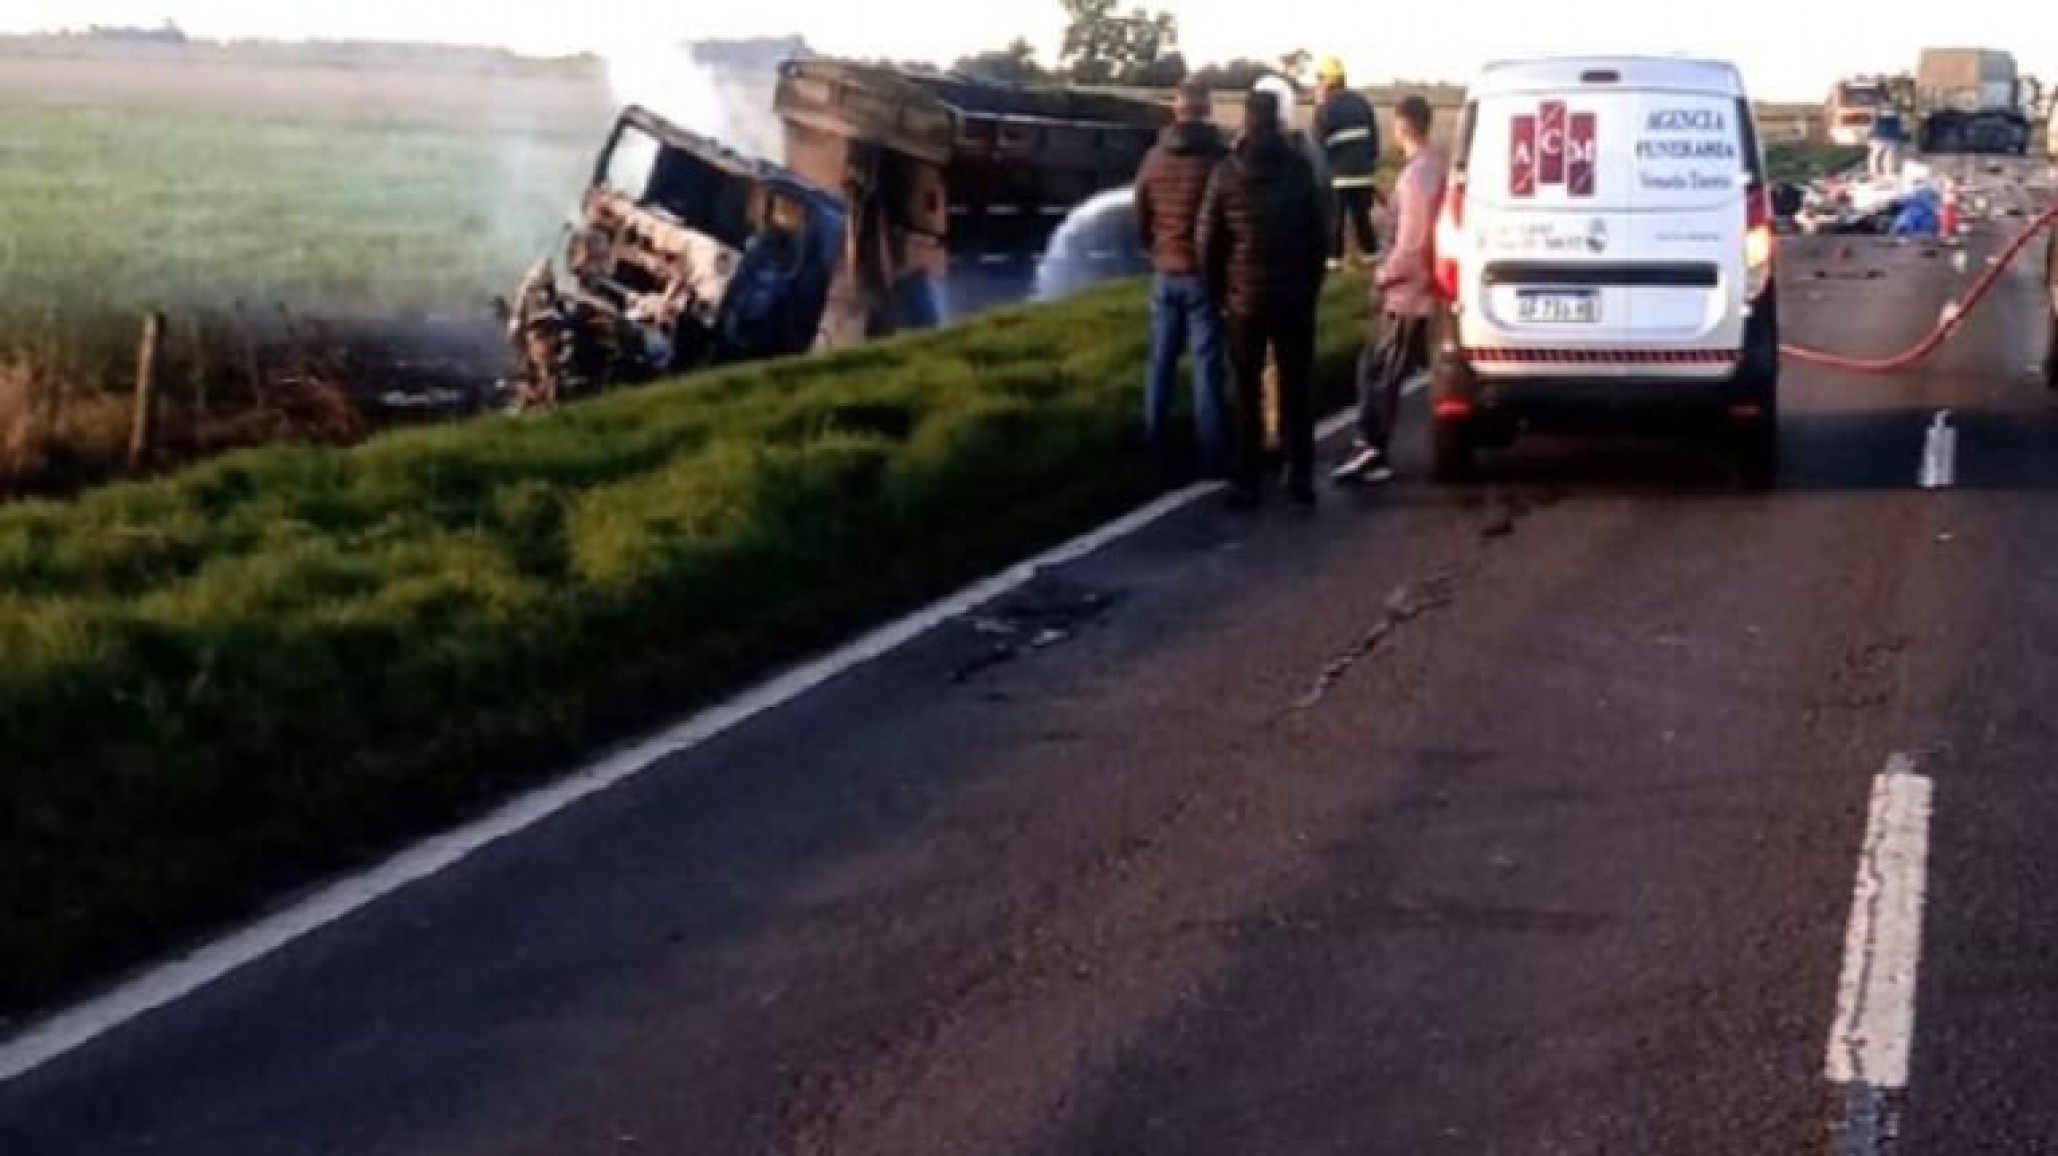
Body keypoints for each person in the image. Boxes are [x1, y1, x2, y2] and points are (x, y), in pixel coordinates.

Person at [1199, 89, 1330, 507]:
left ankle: (1246, 477)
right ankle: (1300, 474)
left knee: (1246, 389)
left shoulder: (1226, 173)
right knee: (1295, 387)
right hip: (1293, 298)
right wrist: (1311, 288)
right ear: (1276, 121)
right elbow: (1318, 236)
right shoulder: (1298, 170)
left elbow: (1208, 241)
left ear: (1245, 120)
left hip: (1242, 300)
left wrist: (1220, 290)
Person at [1335, 95, 1446, 486]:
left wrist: (1382, 275)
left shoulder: (1415, 177)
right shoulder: (1437, 168)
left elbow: (1412, 244)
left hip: (1407, 294)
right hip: (1427, 290)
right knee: (1391, 370)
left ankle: (1370, 448)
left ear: (1401, 125)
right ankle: (1372, 446)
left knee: (1377, 371)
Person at [1133, 80, 1232, 477]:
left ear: (1175, 109)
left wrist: (1155, 249)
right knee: (1207, 367)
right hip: (1203, 275)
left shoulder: (1153, 158)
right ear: (1207, 110)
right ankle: (1212, 457)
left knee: (1160, 363)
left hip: (1165, 271)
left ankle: (1155, 451)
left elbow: (1140, 211)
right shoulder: (1219, 160)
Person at [1253, 74, 1333, 462]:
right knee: (1294, 365)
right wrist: (1317, 274)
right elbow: (1323, 218)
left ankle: (1265, 438)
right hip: (1296, 281)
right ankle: (1294, 447)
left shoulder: (1239, 153)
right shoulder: (1309, 155)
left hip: (1251, 283)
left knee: (1260, 364)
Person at [1313, 56, 1383, 267]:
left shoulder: (1325, 108)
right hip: (1363, 173)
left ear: (1328, 81)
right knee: (1362, 217)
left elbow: (1317, 145)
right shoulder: (1362, 102)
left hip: (1337, 176)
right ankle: (1371, 253)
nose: (1317, 83)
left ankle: (1334, 259)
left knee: (1335, 219)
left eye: (1319, 79)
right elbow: (1374, 137)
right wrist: (1370, 165)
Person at [1869, 103, 1906, 179]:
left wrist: (1871, 136)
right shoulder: (1896, 115)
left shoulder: (1878, 114)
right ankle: (1887, 172)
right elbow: (1899, 127)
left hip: (1880, 137)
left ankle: (1875, 172)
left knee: (1876, 155)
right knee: (1888, 156)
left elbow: (1873, 125)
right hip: (1890, 137)